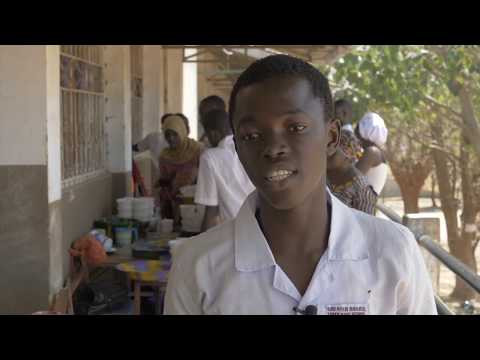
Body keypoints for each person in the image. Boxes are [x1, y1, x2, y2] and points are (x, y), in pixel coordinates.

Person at [164, 54, 436, 315]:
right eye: (251, 135)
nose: (273, 149)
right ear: (237, 147)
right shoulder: (197, 266)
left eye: (295, 127)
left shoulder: (392, 252)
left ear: (331, 137)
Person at [194, 109, 255, 231]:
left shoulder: (210, 157)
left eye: (206, 134)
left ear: (213, 133)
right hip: (259, 228)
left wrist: (202, 243)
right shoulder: (250, 148)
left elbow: (211, 209)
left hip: (234, 231)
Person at [156, 114, 205, 228]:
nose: (171, 138)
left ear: (182, 132)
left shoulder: (198, 150)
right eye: (167, 135)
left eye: (175, 134)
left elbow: (206, 177)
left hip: (195, 204)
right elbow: (164, 180)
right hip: (172, 205)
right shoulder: (164, 156)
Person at [327, 129, 377, 215]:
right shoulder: (321, 177)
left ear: (347, 153)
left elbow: (364, 225)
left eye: (333, 151)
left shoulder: (362, 190)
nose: (327, 153)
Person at [355, 112, 389, 196]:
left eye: (357, 129)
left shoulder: (372, 152)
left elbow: (351, 181)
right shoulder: (375, 151)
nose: (354, 133)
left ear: (362, 132)